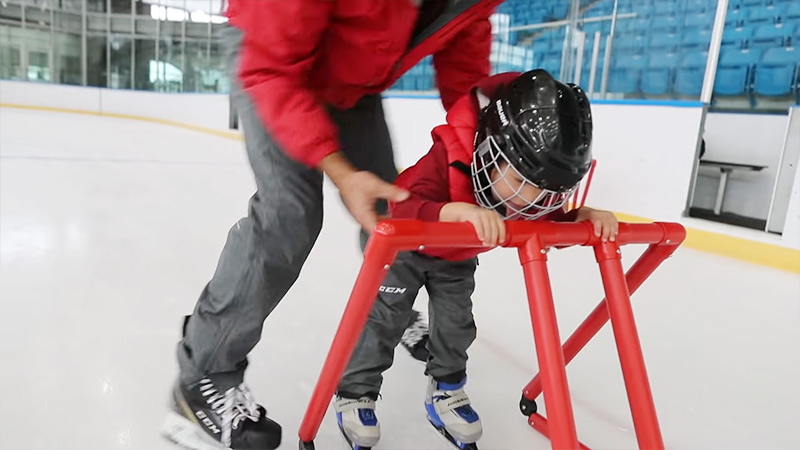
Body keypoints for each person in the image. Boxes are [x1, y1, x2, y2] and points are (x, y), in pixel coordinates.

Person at [162, 1, 504, 450]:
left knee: (394, 211)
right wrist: (341, 172)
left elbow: (465, 80)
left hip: (353, 84)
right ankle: (202, 376)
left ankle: (394, 310)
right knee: (289, 217)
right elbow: (271, 70)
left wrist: (509, 156)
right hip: (271, 59)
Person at [333, 69, 619, 449]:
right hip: (405, 249)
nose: (528, 203)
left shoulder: (526, 193)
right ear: (490, 148)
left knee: (456, 325)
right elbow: (401, 210)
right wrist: (453, 212)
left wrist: (578, 219)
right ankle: (355, 393)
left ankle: (446, 390)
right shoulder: (447, 157)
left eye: (546, 195)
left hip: (456, 259)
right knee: (386, 321)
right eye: (520, 183)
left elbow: (544, 225)